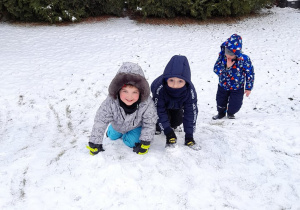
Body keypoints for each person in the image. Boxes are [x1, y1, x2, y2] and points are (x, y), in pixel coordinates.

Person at [87, 62, 157, 155]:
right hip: (118, 125)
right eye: (125, 91)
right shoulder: (111, 101)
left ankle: (127, 136)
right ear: (118, 90)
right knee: (112, 136)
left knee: (131, 142)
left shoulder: (146, 103)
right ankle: (112, 130)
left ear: (140, 92)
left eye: (134, 92)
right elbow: (101, 120)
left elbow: (150, 122)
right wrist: (95, 142)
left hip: (135, 126)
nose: (129, 96)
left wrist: (145, 142)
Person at [151, 55, 199, 150]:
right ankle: (157, 126)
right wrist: (168, 132)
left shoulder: (190, 91)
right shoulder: (160, 88)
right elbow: (159, 110)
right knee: (158, 118)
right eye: (171, 80)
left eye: (180, 81)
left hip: (177, 104)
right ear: (166, 79)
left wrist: (189, 135)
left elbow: (191, 113)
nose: (175, 85)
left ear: (186, 81)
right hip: (163, 103)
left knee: (176, 121)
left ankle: (172, 122)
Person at [212, 34, 254, 120]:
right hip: (223, 85)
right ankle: (221, 113)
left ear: (236, 53)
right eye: (227, 52)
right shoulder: (222, 57)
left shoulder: (244, 60)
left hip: (237, 87)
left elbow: (250, 73)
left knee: (236, 104)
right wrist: (226, 67)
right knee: (220, 102)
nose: (228, 56)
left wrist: (248, 87)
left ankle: (231, 113)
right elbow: (216, 69)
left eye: (231, 54)